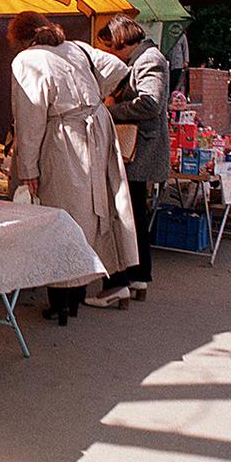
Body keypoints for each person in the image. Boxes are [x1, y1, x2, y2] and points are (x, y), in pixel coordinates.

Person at [7, 11, 139, 315]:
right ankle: (77, 294)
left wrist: (27, 169)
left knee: (62, 215)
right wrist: (94, 99)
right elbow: (117, 67)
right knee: (92, 211)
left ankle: (62, 301)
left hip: (64, 138)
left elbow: (30, 119)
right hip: (96, 131)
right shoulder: (76, 47)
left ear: (19, 37)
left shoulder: (27, 60)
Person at [98, 16, 170, 303]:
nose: (109, 52)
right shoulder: (143, 59)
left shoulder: (149, 59)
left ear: (121, 40)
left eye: (110, 46)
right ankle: (139, 277)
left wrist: (111, 112)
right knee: (135, 213)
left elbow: (150, 103)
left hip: (139, 149)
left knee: (126, 215)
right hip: (139, 150)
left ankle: (122, 282)